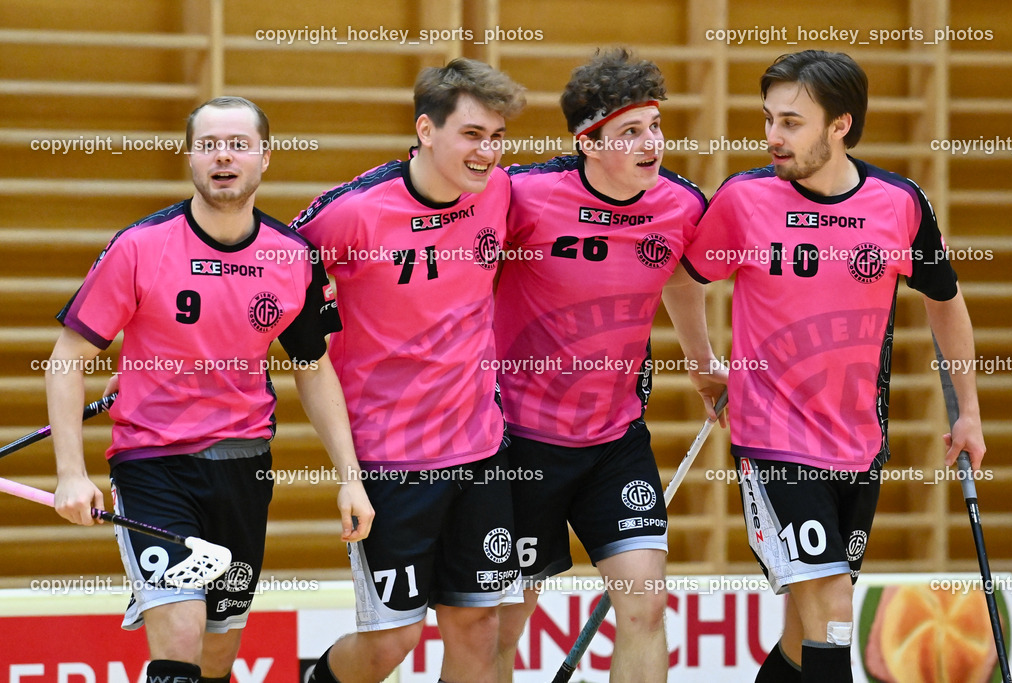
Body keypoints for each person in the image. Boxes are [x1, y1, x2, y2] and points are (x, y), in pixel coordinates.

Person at [680, 50, 986, 682]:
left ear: (840, 126)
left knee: (804, 631)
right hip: (773, 439)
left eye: (791, 122)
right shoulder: (744, 200)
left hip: (858, 445)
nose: (772, 136)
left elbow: (946, 305)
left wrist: (971, 414)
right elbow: (684, 278)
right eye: (768, 119)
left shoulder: (899, 204)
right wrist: (705, 362)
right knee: (834, 610)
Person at [47, 96, 373, 683]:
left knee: (219, 651)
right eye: (209, 145)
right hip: (155, 466)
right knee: (181, 632)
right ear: (190, 156)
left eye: (238, 145)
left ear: (265, 158)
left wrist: (350, 477)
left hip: (244, 468)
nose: (223, 157)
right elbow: (67, 358)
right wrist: (71, 471)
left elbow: (314, 366)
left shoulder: (292, 257)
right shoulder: (141, 246)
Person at [494, 48, 726, 682]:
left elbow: (682, 277)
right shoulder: (523, 195)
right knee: (499, 630)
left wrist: (704, 363)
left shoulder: (681, 204)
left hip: (614, 440)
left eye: (655, 126)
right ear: (587, 143)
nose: (652, 143)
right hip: (517, 441)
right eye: (630, 132)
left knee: (647, 607)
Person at [292, 58, 526, 683]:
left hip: (479, 451)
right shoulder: (354, 212)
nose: (488, 153)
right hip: (389, 462)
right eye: (472, 135)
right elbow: (266, 272)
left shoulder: (499, 192)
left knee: (479, 629)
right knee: (392, 640)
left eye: (497, 138)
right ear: (426, 130)